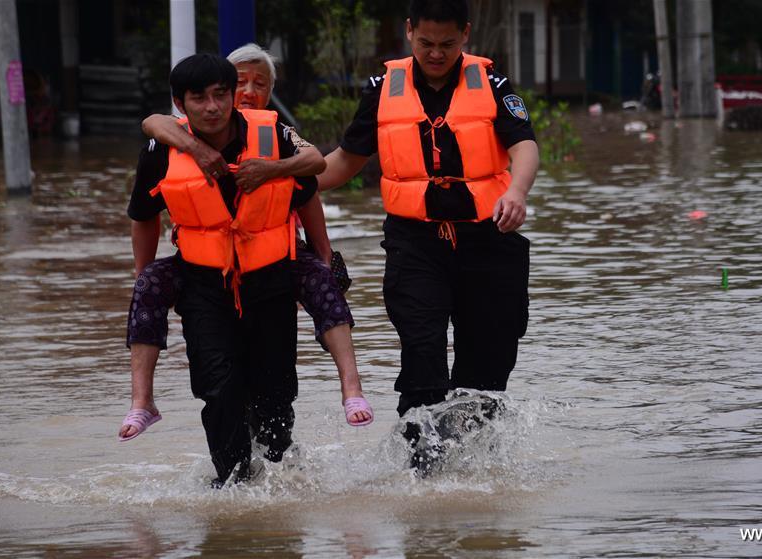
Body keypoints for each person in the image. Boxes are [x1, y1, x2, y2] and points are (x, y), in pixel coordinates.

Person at [317, 0, 538, 471]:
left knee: (486, 370)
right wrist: (286, 182)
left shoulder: (493, 84)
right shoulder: (382, 90)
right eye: (426, 44)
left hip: (489, 242)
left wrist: (516, 192)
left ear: (466, 35)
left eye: (447, 44)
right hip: (415, 245)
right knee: (422, 357)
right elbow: (345, 161)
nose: (436, 54)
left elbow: (525, 145)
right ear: (409, 32)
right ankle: (422, 474)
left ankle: (475, 476)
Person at [119, 44, 372, 442]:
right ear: (182, 103)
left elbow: (311, 185)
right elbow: (145, 192)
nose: (218, 104)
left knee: (275, 399)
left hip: (272, 272)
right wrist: (196, 149)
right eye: (240, 84)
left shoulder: (274, 135)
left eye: (258, 85)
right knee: (219, 390)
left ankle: (349, 393)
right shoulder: (166, 143)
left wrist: (323, 254)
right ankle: (150, 408)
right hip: (205, 278)